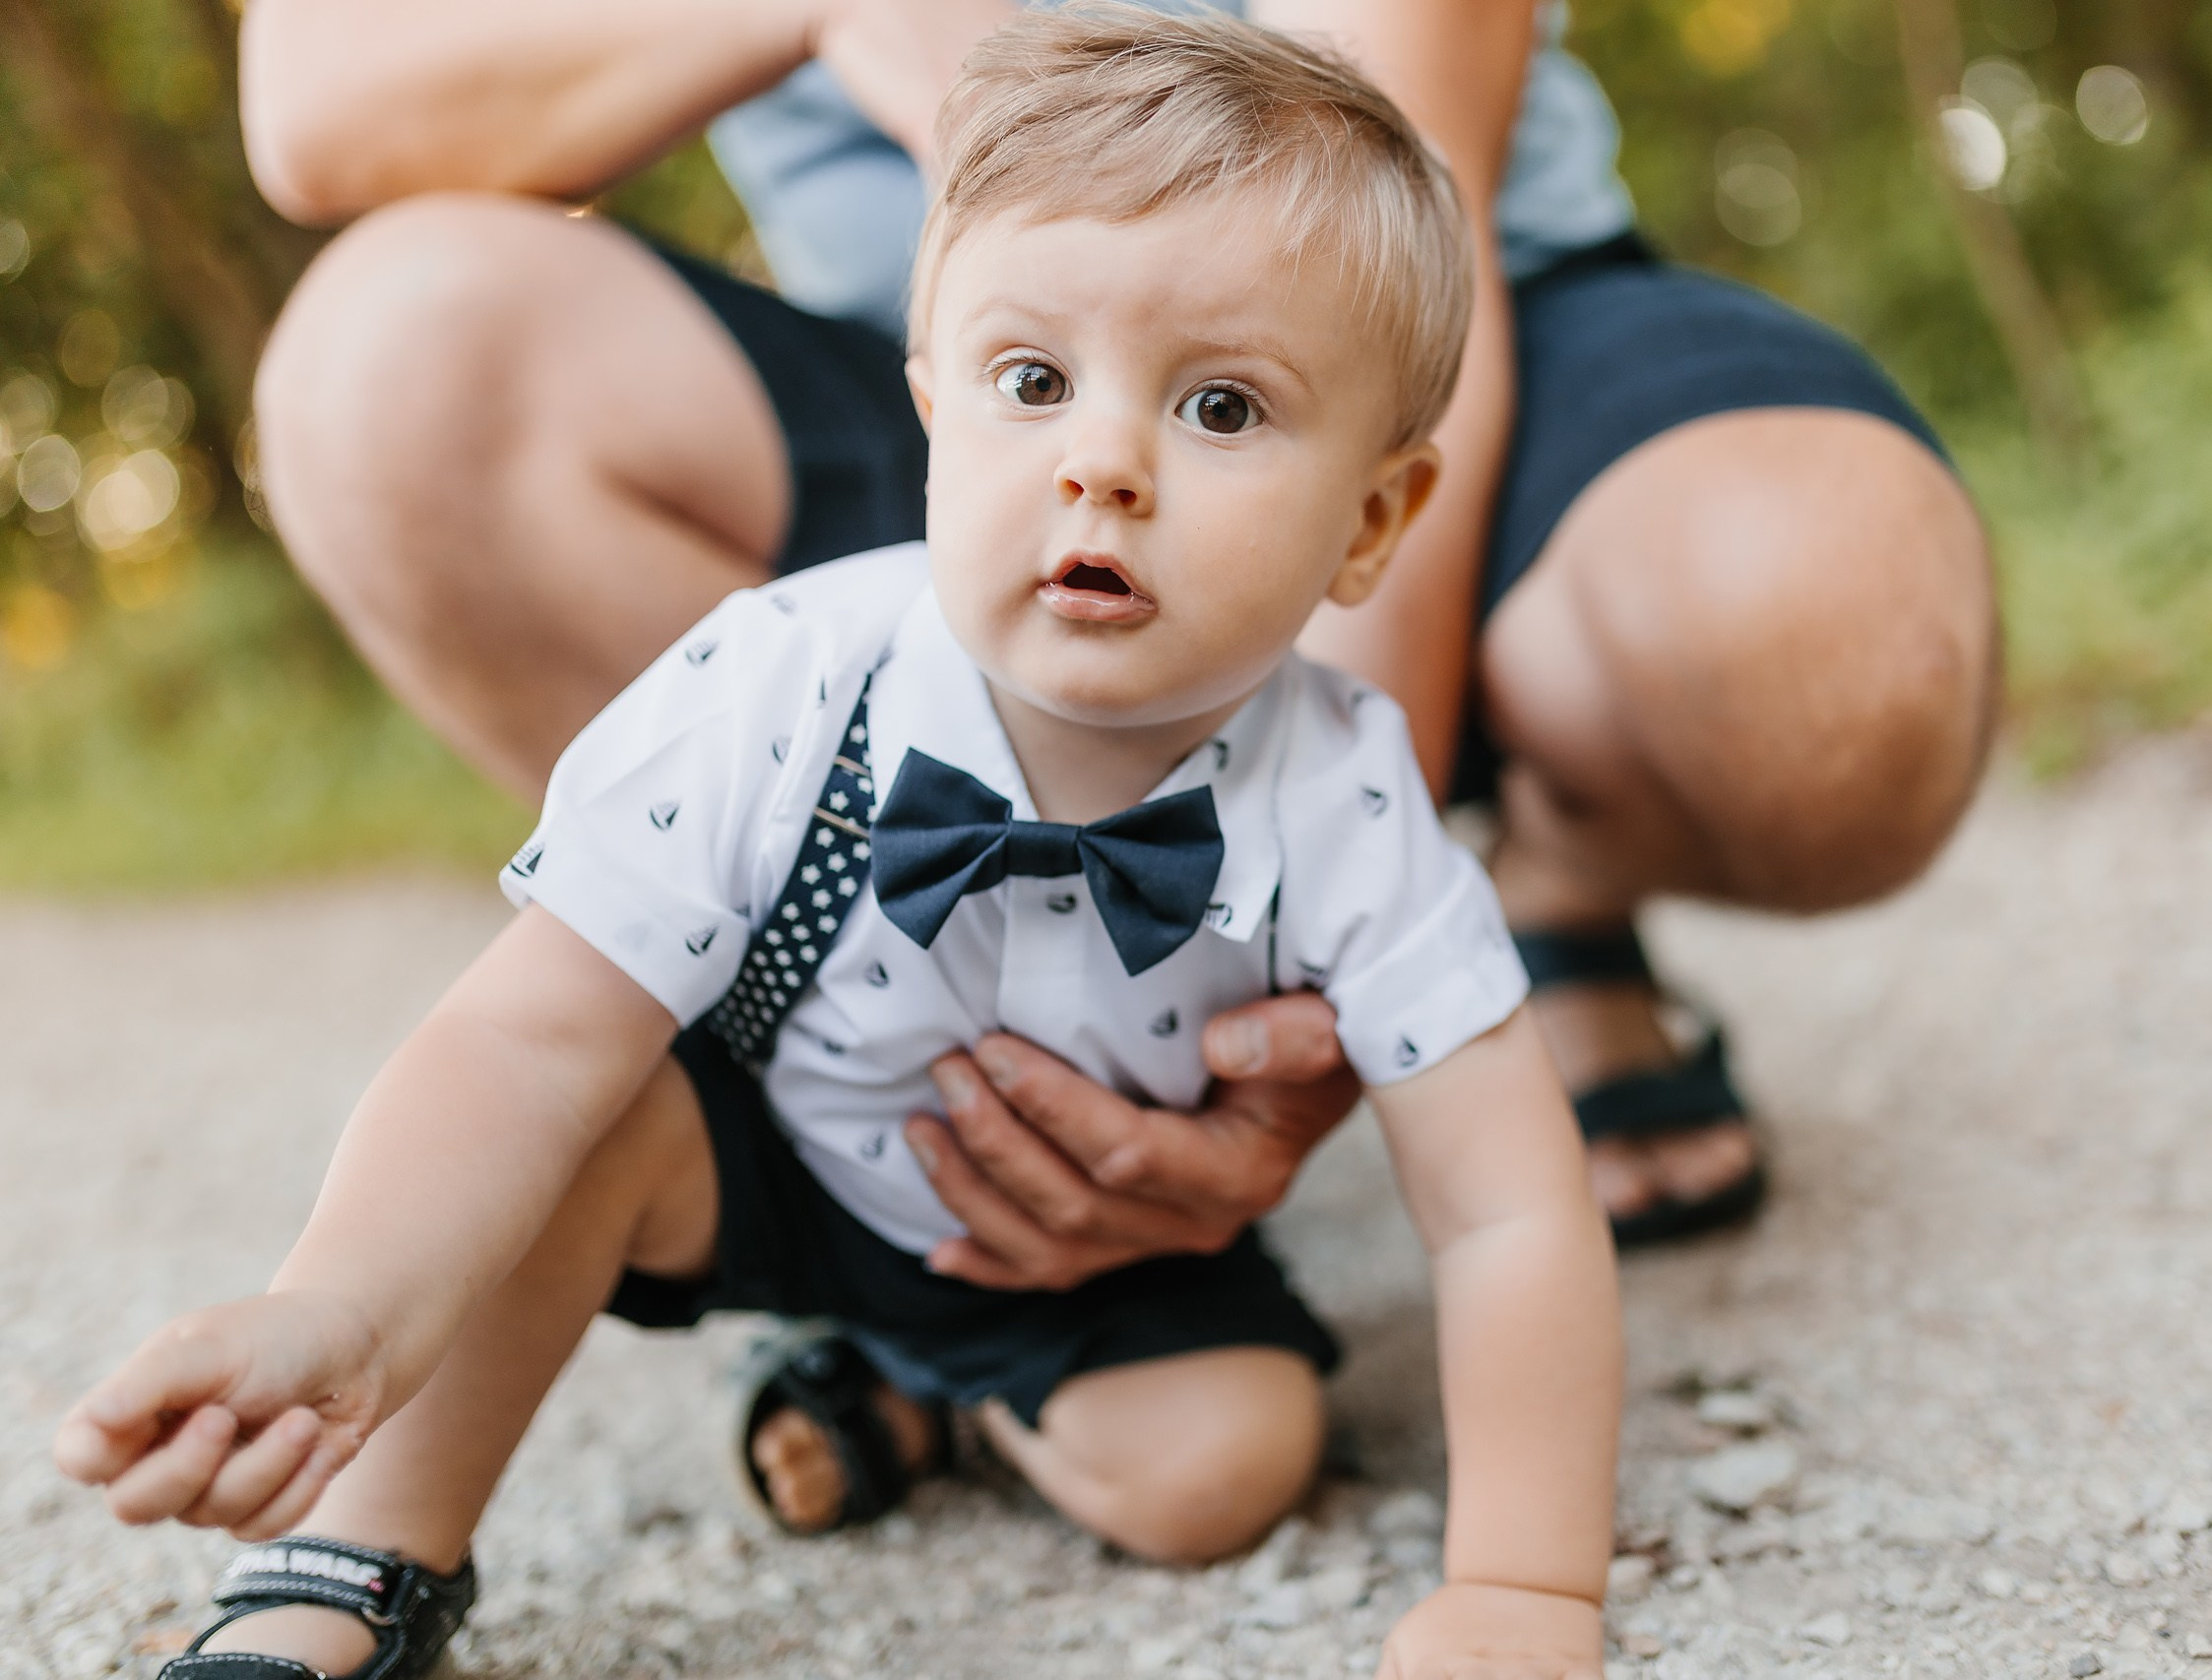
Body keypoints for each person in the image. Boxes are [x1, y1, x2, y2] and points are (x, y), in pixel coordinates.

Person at [57, 18, 1624, 1676]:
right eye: (1033, 382)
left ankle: (921, 1395)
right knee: (577, 1124)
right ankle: (356, 1560)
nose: (1104, 460)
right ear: (936, 412)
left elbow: (1509, 1210)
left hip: (1074, 1225)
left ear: (1375, 520)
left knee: (1227, 1457)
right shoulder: (783, 675)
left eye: (1223, 405)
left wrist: (1526, 1588)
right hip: (769, 1149)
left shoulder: (1350, 796)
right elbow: (519, 1038)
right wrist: (342, 1307)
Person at [237, 0, 1996, 1285]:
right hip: (974, 395)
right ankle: (879, 1124)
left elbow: (1406, 186)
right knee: (389, 369)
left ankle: (1526, 904)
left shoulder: (1372, 429)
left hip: (1418, 312)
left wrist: (1296, 1024)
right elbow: (320, 99)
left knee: (1839, 653)